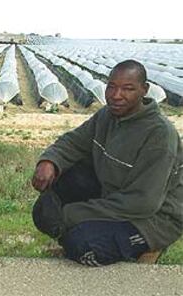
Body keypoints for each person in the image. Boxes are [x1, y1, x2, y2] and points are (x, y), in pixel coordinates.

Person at [31, 60, 183, 266]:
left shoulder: (159, 136)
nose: (116, 95)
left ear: (144, 90)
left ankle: (148, 246)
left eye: (128, 89)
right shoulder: (107, 115)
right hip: (115, 197)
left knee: (82, 244)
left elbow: (142, 202)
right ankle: (85, 235)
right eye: (111, 87)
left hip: (153, 218)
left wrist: (71, 215)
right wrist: (49, 161)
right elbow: (74, 142)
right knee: (46, 208)